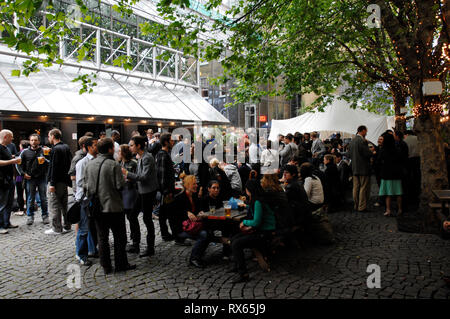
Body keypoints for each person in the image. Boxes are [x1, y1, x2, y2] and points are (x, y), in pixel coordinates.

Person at [84, 138, 134, 274]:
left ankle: (106, 266)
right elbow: (120, 185)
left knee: (102, 238)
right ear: (110, 149)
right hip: (113, 207)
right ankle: (121, 264)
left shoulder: (90, 164)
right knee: (120, 237)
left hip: (97, 207)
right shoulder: (114, 165)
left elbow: (85, 186)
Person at [229, 177, 276, 283]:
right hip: (261, 230)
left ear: (249, 190)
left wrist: (245, 223)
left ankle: (243, 274)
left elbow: (256, 222)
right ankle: (237, 264)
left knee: (237, 243)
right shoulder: (257, 200)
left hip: (265, 232)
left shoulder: (258, 202)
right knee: (234, 238)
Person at [122, 135, 159, 257]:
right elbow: (139, 176)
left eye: (132, 145)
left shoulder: (147, 157)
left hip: (148, 192)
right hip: (142, 191)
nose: (130, 147)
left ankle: (150, 248)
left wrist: (127, 174)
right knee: (133, 216)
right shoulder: (141, 157)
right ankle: (136, 244)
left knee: (147, 219)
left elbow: (143, 177)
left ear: (138, 146)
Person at [173, 174, 213, 267]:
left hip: (194, 226)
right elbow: (175, 216)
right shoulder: (179, 198)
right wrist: (186, 213)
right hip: (181, 228)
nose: (196, 186)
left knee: (209, 232)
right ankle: (194, 259)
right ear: (187, 185)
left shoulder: (195, 197)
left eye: (196, 184)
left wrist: (200, 213)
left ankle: (199, 254)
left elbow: (199, 210)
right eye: (194, 184)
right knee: (204, 234)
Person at [74, 137, 98, 266]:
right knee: (84, 228)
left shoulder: (98, 160)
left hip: (94, 198)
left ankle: (92, 249)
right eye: (95, 145)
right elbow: (80, 182)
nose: (97, 147)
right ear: (89, 147)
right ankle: (81, 254)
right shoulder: (82, 163)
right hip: (85, 199)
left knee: (93, 227)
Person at [16, 134, 49, 225]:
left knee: (43, 198)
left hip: (42, 177)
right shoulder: (25, 152)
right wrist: (23, 174)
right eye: (32, 140)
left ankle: (45, 215)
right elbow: (18, 163)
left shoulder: (44, 151)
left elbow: (50, 163)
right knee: (30, 198)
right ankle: (30, 216)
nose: (33, 142)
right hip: (30, 178)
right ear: (29, 141)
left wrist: (45, 160)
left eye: (35, 140)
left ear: (39, 141)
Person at [45, 128, 72, 235]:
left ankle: (56, 228)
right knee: (64, 204)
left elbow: (54, 167)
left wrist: (52, 183)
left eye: (48, 136)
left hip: (56, 181)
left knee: (54, 204)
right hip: (64, 181)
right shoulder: (65, 147)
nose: (48, 138)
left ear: (52, 136)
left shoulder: (55, 149)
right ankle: (67, 225)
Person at [155, 133, 178, 241]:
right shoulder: (163, 155)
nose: (173, 142)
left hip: (167, 190)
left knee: (164, 213)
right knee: (170, 213)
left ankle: (166, 234)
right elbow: (162, 175)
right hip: (166, 191)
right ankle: (172, 235)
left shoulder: (164, 154)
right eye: (171, 140)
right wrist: (166, 191)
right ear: (166, 142)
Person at [118, 144, 139, 252]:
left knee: (132, 218)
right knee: (128, 217)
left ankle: (136, 242)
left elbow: (137, 177)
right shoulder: (120, 163)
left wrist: (129, 177)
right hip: (123, 193)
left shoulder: (133, 163)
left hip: (131, 193)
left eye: (119, 151)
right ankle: (132, 238)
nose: (118, 153)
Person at [347, 125, 373, 212]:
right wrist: (372, 152)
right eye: (366, 131)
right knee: (363, 187)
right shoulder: (362, 141)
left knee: (356, 187)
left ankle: (356, 205)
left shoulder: (352, 141)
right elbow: (367, 154)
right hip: (363, 168)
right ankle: (361, 206)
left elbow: (348, 155)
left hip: (354, 168)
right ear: (362, 131)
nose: (366, 133)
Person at [0, 130, 22, 233]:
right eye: (11, 137)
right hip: (2, 180)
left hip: (9, 179)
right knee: (2, 203)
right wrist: (13, 161)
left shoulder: (6, 148)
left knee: (9, 202)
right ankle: (0, 226)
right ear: (5, 137)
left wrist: (13, 157)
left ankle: (6, 222)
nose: (12, 139)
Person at [378, 133, 403, 216]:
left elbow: (379, 160)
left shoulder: (383, 150)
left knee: (388, 194)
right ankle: (400, 209)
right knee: (398, 192)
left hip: (386, 173)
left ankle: (388, 210)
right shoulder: (397, 149)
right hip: (396, 173)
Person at [404, 130, 421, 205]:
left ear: (406, 134)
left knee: (410, 178)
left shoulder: (405, 140)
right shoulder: (418, 138)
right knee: (417, 177)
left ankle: (411, 196)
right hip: (418, 160)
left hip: (408, 160)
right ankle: (417, 193)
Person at [14, 139, 30, 215]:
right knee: (28, 192)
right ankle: (28, 208)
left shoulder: (18, 154)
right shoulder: (29, 153)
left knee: (20, 192)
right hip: (27, 175)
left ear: (21, 146)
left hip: (19, 176)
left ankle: (21, 208)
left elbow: (16, 165)